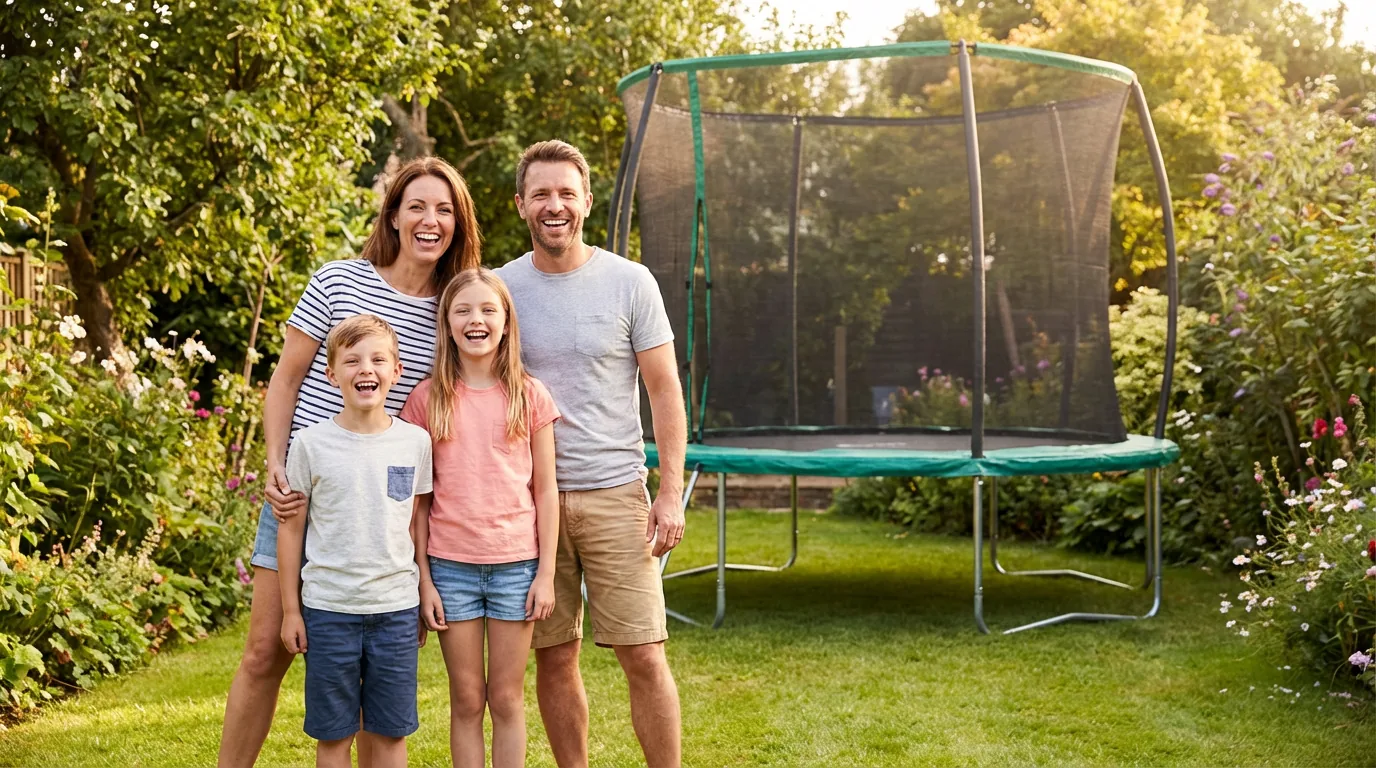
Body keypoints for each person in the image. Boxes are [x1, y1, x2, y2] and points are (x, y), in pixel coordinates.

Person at [218, 157, 482, 768]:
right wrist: (276, 464)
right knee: (265, 651)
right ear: (393, 215)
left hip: (378, 513)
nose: (429, 220)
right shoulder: (338, 281)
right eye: (416, 205)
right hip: (304, 491)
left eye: (444, 209)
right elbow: (284, 382)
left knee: (375, 680)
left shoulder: (453, 308)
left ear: (457, 223)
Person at [494, 139, 688, 768]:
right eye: (542, 194)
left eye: (566, 193)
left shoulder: (630, 282)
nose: (555, 206)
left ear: (586, 201)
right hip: (527, 507)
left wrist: (667, 492)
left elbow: (664, 390)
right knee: (554, 655)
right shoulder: (500, 290)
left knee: (645, 653)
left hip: (616, 496)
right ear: (521, 204)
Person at [399, 268, 560, 768]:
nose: (476, 320)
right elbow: (416, 503)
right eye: (463, 310)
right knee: (467, 701)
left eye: (488, 310)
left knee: (507, 700)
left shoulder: (530, 395)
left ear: (507, 322)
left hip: (517, 567)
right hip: (450, 571)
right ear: (446, 324)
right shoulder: (426, 401)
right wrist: (423, 579)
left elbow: (546, 489)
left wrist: (547, 574)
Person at [277, 314, 432, 768]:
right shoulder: (309, 445)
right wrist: (291, 610)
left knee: (389, 734)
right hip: (329, 612)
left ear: (397, 370)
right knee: (334, 737)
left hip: (396, 611)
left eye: (378, 359)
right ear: (331, 374)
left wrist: (422, 592)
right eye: (352, 361)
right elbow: (292, 531)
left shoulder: (415, 443)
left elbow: (415, 523)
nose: (366, 369)